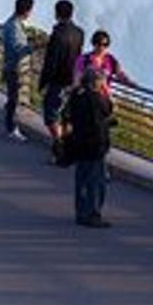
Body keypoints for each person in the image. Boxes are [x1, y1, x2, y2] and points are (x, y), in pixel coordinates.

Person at [61, 67, 114, 228]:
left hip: (80, 143)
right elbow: (108, 110)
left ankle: (81, 212)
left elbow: (66, 115)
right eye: (101, 81)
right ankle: (93, 213)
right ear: (96, 82)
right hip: (95, 146)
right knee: (96, 181)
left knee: (82, 178)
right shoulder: (96, 99)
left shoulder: (76, 96)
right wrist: (106, 93)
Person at [37, 0, 84, 141]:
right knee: (67, 115)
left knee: (50, 114)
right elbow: (79, 57)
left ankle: (59, 145)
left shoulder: (57, 35)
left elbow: (51, 62)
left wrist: (43, 83)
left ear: (56, 14)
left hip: (58, 81)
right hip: (73, 80)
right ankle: (66, 146)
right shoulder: (79, 33)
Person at [0, 0, 37, 140]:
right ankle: (11, 128)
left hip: (12, 66)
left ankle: (10, 123)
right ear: (26, 11)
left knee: (13, 98)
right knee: (14, 98)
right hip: (13, 68)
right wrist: (32, 47)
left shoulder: (14, 23)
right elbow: (17, 49)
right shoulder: (14, 26)